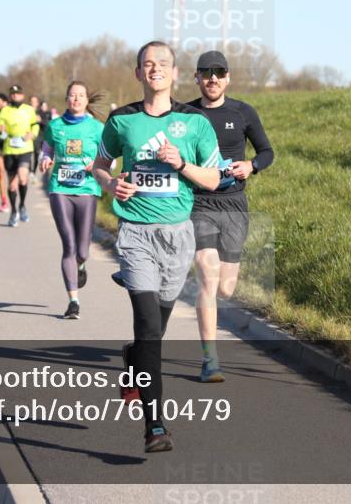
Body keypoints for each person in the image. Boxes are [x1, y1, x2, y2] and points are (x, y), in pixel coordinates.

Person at [92, 41, 220, 453]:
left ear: (175, 72)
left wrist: (180, 163)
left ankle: (133, 360)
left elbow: (214, 180)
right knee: (150, 328)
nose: (155, 70)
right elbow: (99, 166)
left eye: (162, 64)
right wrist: (111, 184)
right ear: (137, 73)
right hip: (134, 235)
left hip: (178, 235)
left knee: (153, 332)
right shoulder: (121, 120)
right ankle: (155, 426)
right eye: (147, 64)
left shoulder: (194, 121)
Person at [187, 50, 274, 382]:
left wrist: (251, 166)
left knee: (226, 288)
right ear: (196, 77)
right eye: (206, 72)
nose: (212, 78)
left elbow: (267, 152)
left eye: (219, 72)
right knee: (208, 278)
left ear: (228, 77)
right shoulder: (186, 113)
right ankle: (210, 359)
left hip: (235, 205)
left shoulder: (242, 112)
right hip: (199, 204)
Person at [38, 82, 105, 320]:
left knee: (83, 251)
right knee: (69, 245)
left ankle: (81, 264)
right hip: (60, 189)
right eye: (72, 95)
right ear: (66, 99)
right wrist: (45, 159)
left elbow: (110, 160)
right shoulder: (55, 126)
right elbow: (47, 150)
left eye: (81, 95)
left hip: (87, 189)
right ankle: (73, 302)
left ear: (87, 100)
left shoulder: (97, 128)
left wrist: (96, 164)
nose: (76, 99)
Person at [0, 85, 39, 226]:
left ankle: (22, 205)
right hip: (9, 149)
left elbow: (35, 125)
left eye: (17, 94)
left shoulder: (29, 110)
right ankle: (14, 211)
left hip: (25, 148)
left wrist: (33, 134)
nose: (15, 96)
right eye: (12, 94)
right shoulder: (5, 111)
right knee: (12, 186)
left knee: (23, 178)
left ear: (22, 95)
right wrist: (1, 132)